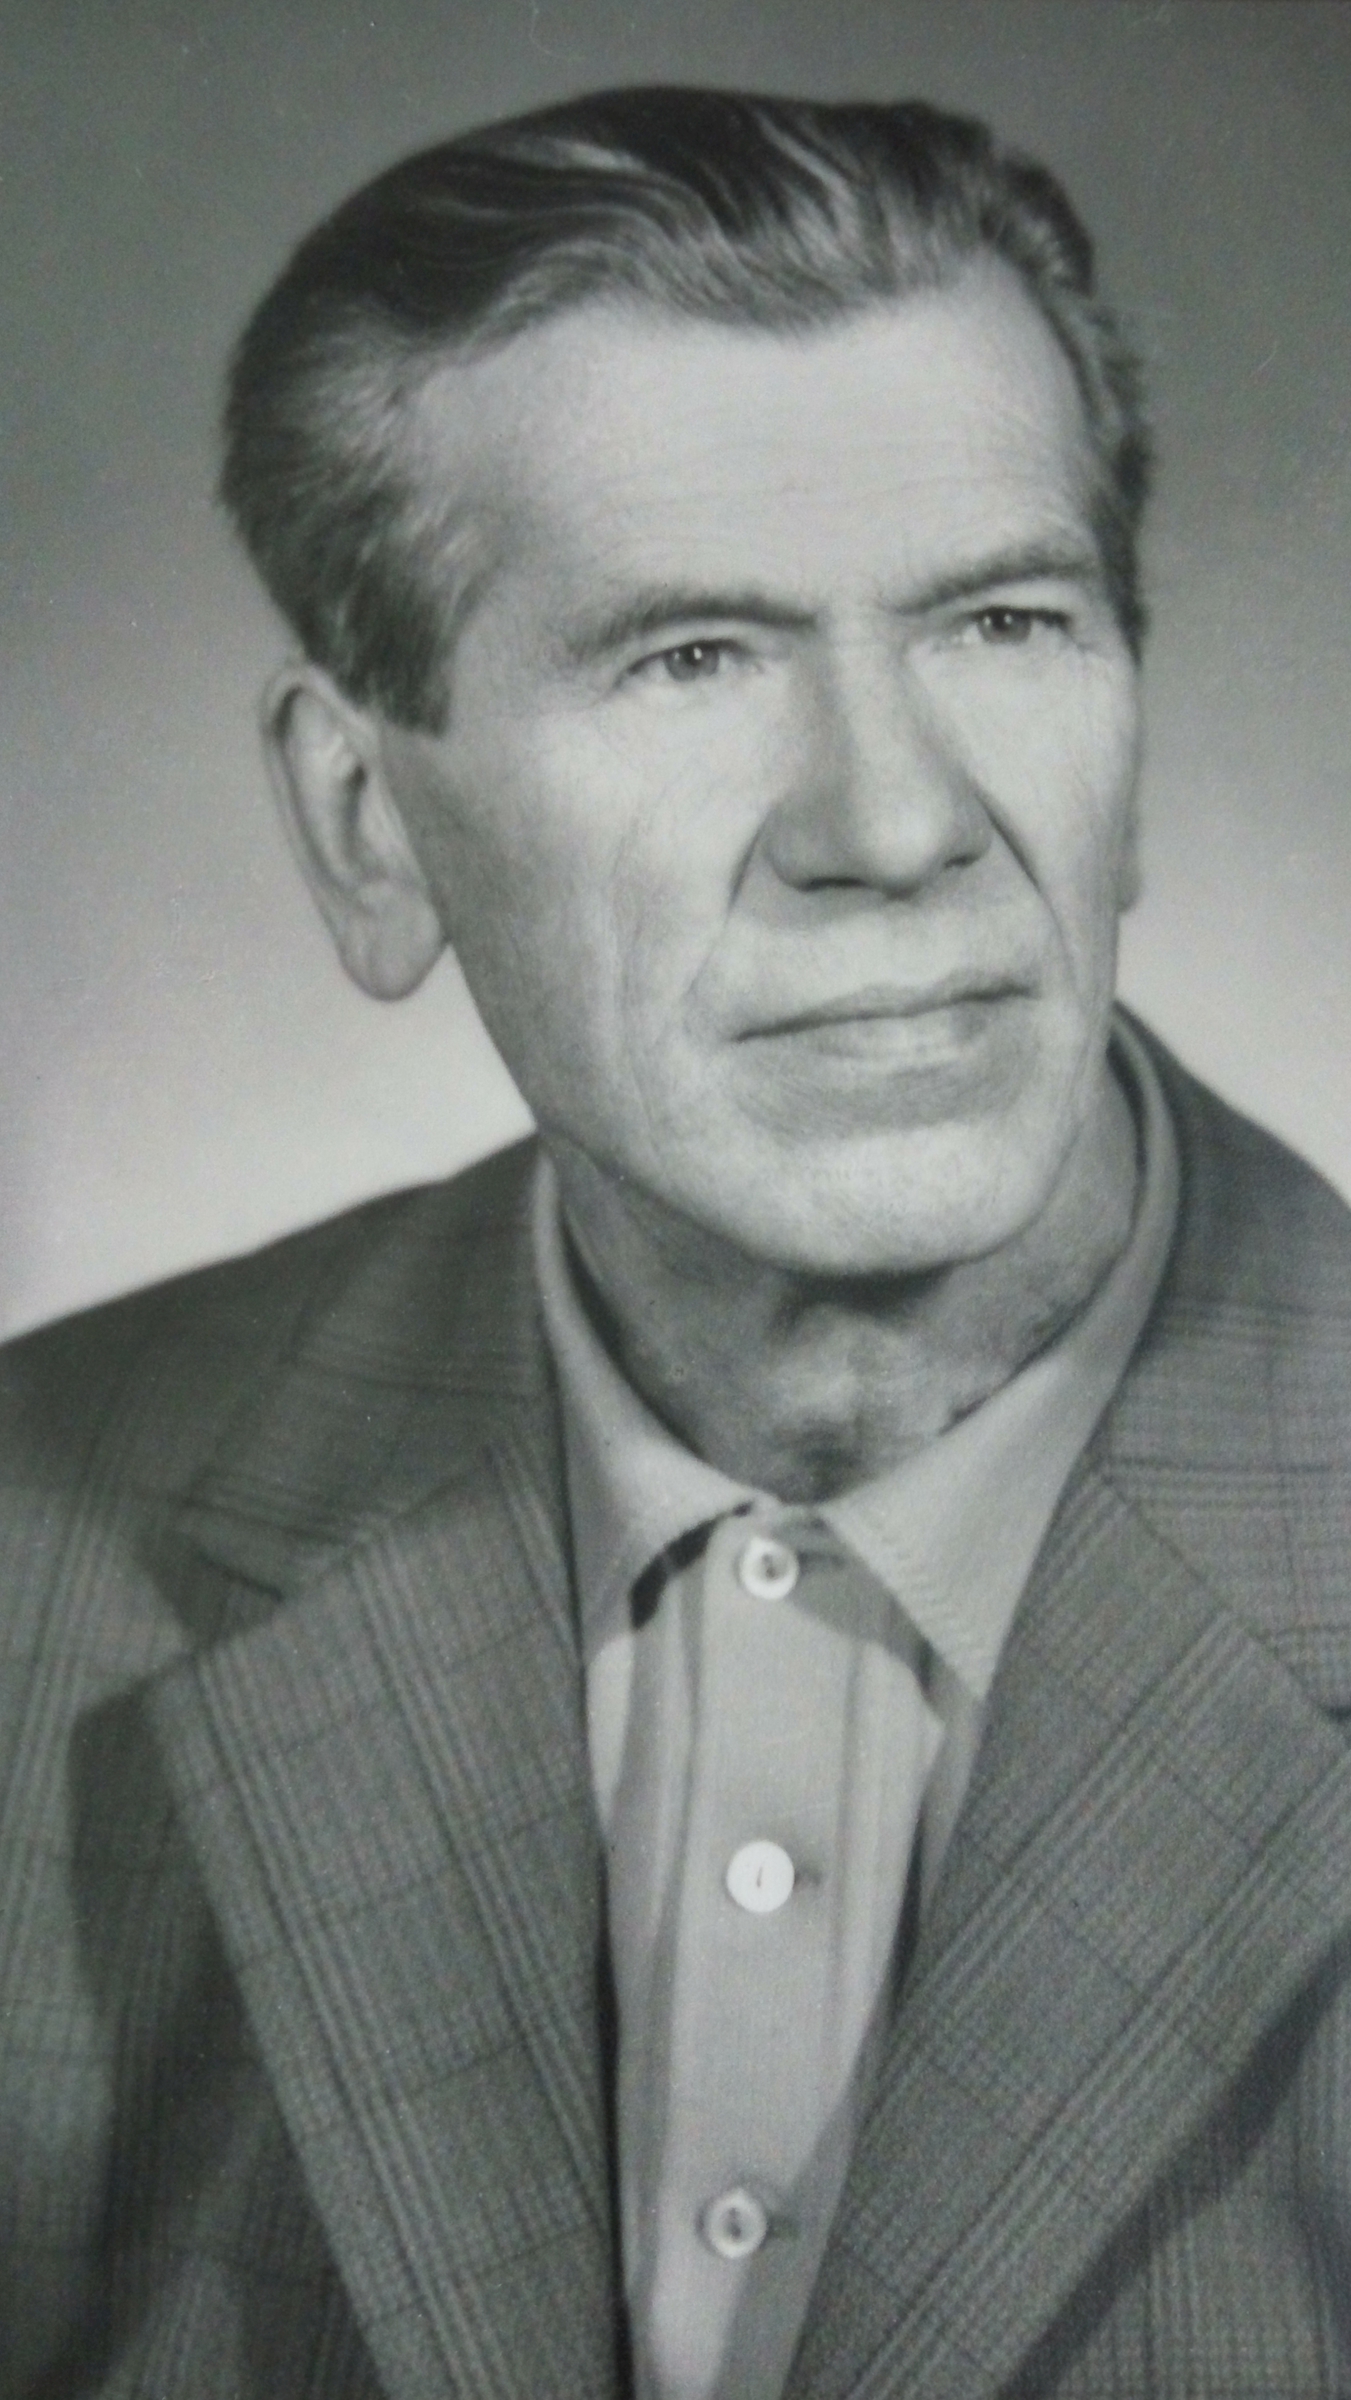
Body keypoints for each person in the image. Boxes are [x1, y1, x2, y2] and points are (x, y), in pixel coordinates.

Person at [2, 83, 1349, 2400]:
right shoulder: (32, 1547)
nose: (895, 825)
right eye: (690, 657)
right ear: (367, 827)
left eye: (1004, 618)